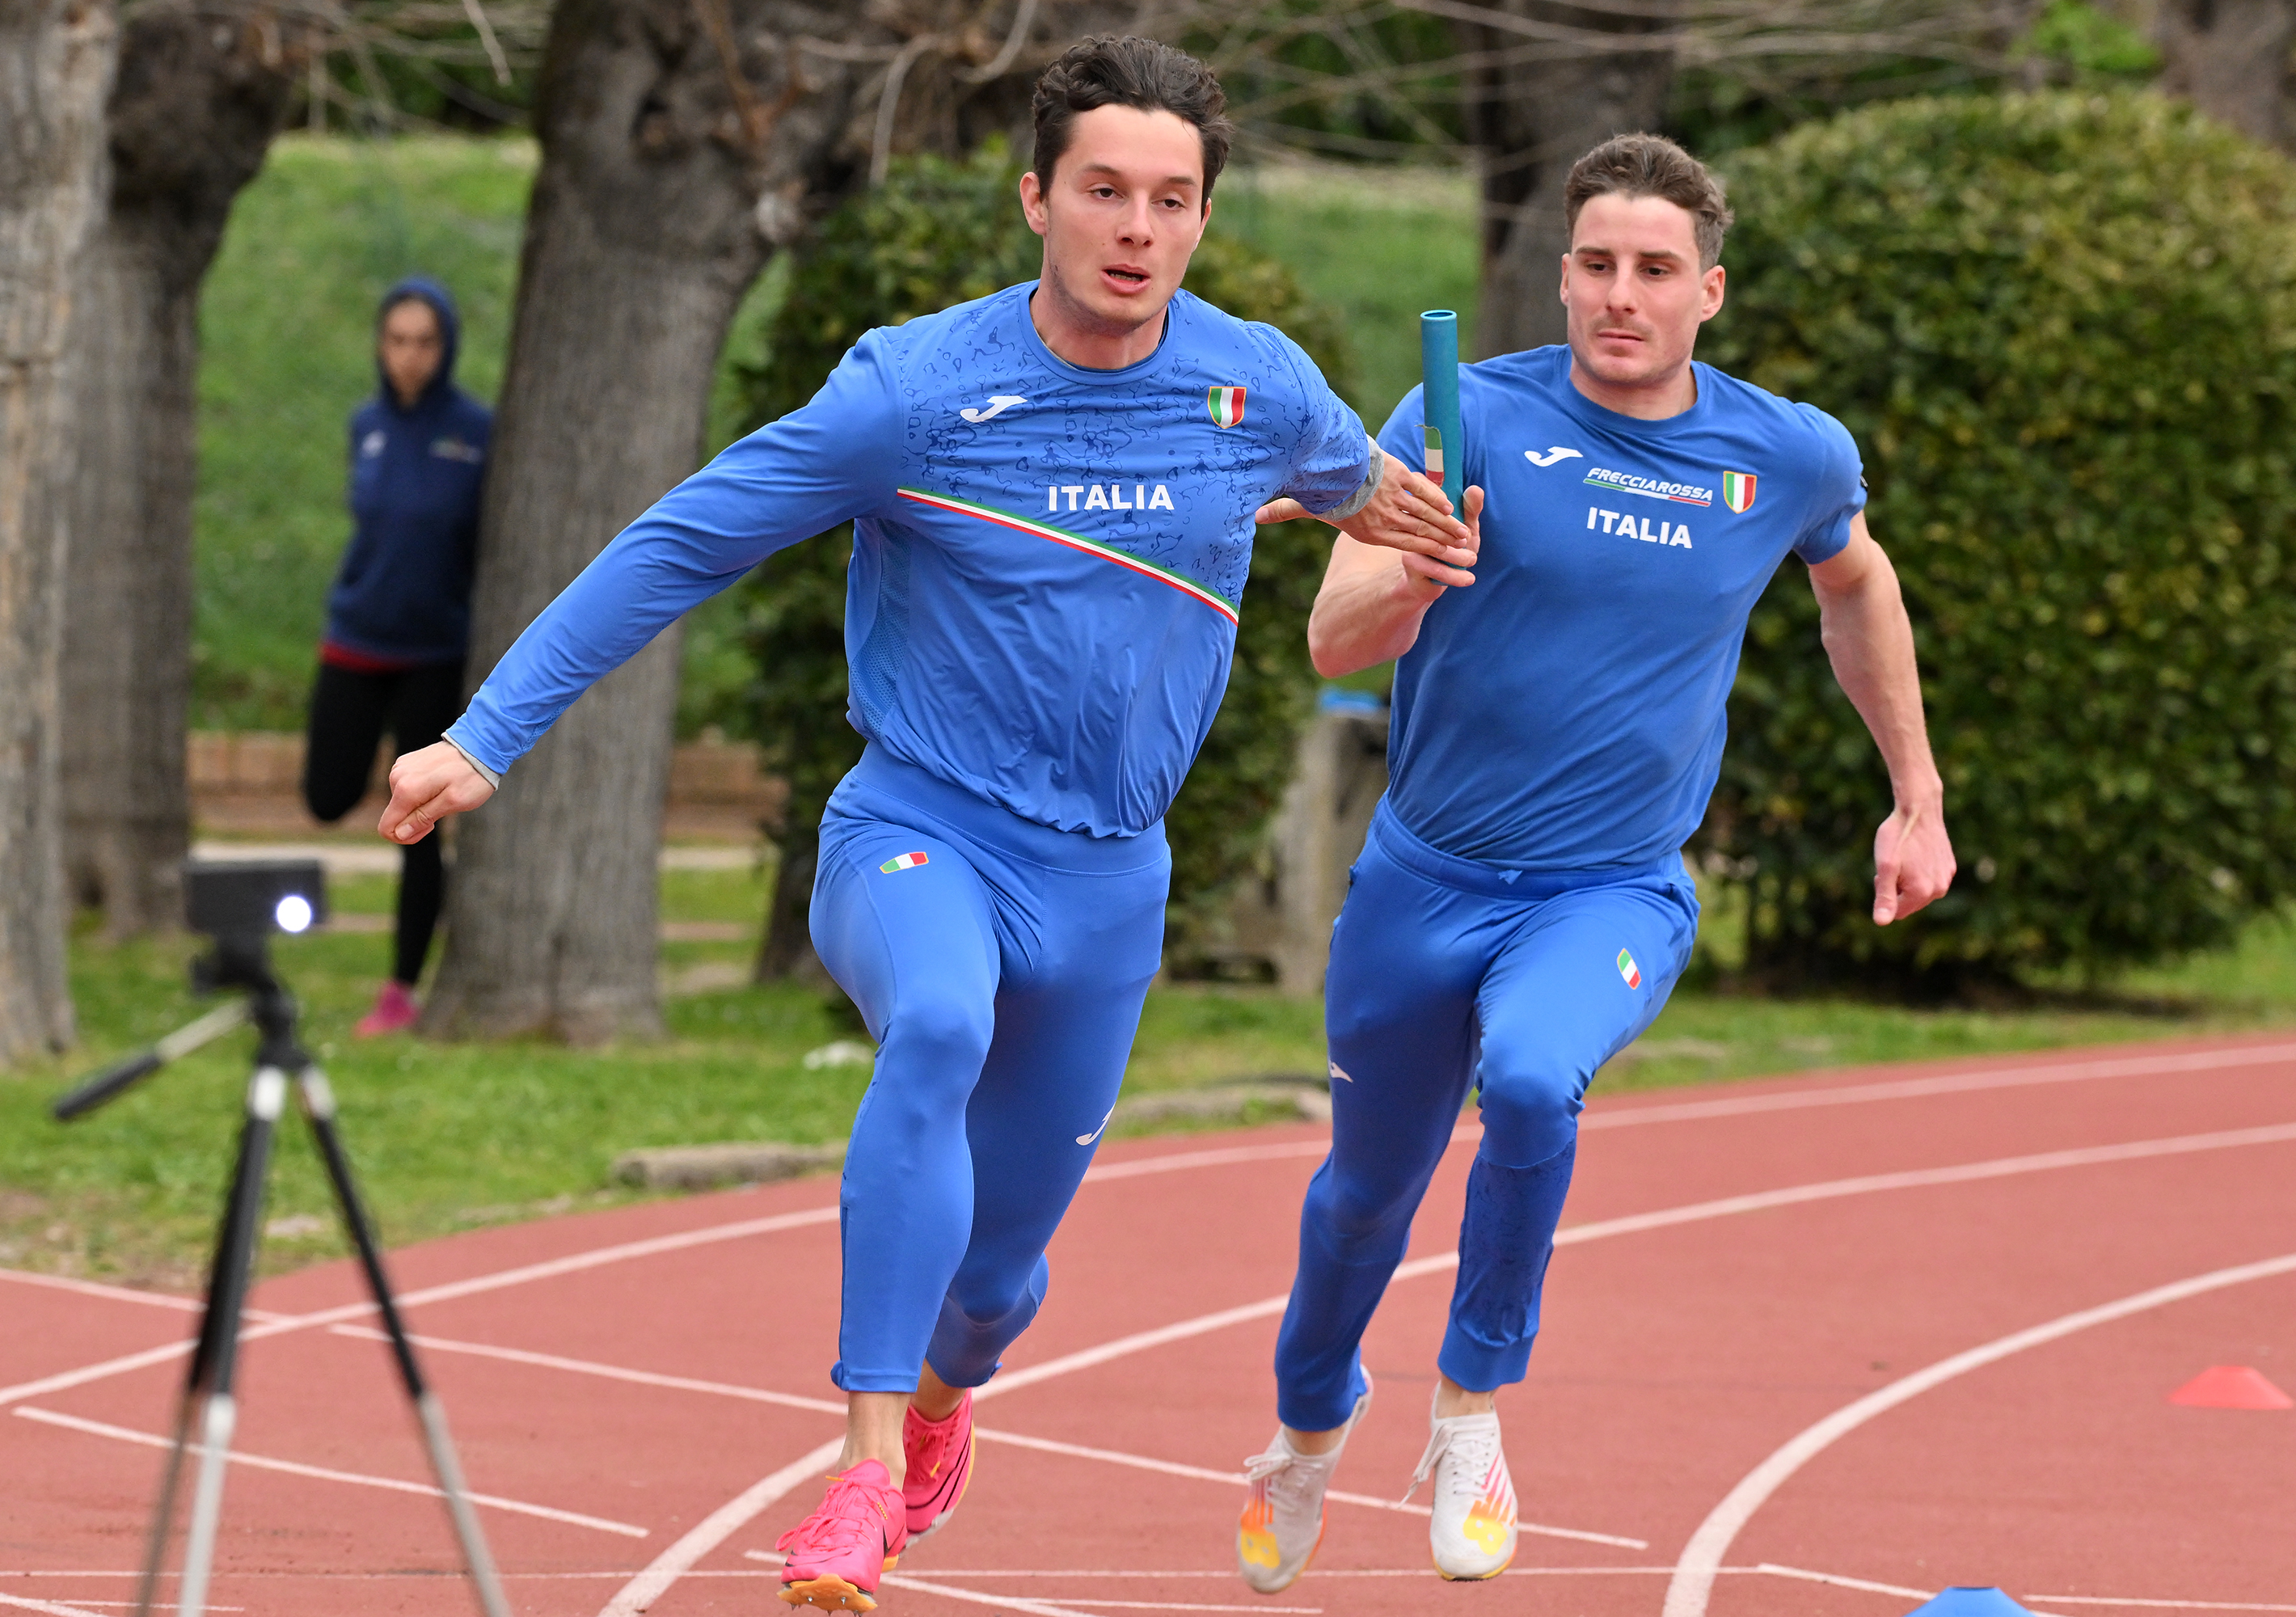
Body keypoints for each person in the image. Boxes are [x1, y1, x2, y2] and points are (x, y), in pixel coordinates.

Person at [373, 36, 1476, 1615]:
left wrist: (1420, 524)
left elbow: (1350, 484)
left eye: (1170, 200)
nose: (1136, 228)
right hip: (921, 827)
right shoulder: (914, 392)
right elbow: (685, 541)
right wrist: (487, 737)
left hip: (1109, 884)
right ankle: (861, 1469)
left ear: (1200, 218)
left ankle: (947, 1400)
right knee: (940, 1023)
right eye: (1103, 190)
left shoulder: (1260, 390)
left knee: (1001, 1282)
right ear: (1036, 197)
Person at [1233, 132, 1957, 1591]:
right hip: (1426, 881)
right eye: (1600, 266)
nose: (1624, 295)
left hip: (1609, 888)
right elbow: (1331, 639)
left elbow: (1857, 582)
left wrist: (1918, 794)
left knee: (1529, 1078)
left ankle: (1470, 1411)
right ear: (1563, 277)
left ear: (1710, 292)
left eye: (1657, 270)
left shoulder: (1786, 455)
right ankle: (1308, 1426)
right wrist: (1417, 573)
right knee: (1362, 1200)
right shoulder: (1465, 421)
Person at [305, 277, 488, 1037]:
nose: (410, 356)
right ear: (381, 346)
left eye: (425, 342)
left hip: (433, 651)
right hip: (357, 636)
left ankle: (401, 989)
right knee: (326, 796)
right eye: (397, 340)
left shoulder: (477, 432)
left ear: (446, 348)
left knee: (418, 824)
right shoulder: (367, 426)